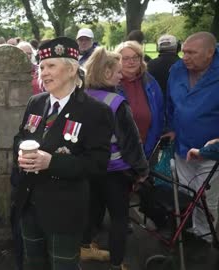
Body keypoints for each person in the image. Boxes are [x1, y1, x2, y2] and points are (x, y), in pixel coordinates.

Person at [12, 37, 114, 270]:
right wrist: (21, 151)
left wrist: (52, 162)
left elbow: (98, 164)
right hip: (28, 204)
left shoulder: (95, 111)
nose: (43, 72)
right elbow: (20, 137)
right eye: (41, 66)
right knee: (33, 264)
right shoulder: (35, 103)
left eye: (51, 66)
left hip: (65, 211)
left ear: (70, 70)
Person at [82, 48, 149, 270]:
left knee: (91, 210)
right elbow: (130, 143)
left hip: (88, 168)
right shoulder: (117, 103)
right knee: (120, 218)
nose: (122, 76)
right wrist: (141, 170)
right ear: (107, 72)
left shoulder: (80, 97)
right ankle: (117, 262)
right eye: (118, 72)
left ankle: (85, 246)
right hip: (116, 170)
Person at [165, 31, 219, 242]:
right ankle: (192, 230)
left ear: (209, 53)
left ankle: (206, 237)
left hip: (211, 151)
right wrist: (170, 127)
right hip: (182, 147)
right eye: (184, 51)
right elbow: (170, 102)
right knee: (187, 194)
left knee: (206, 198)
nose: (185, 56)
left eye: (192, 53)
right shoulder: (177, 69)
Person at [115, 41, 164, 159]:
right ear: (117, 61)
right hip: (119, 152)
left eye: (135, 57)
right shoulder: (111, 84)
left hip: (148, 146)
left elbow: (160, 111)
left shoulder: (150, 82)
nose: (131, 62)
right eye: (125, 58)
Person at [147, 34, 181, 102]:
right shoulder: (184, 65)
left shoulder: (150, 65)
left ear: (158, 47)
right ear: (178, 47)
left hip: (157, 103)